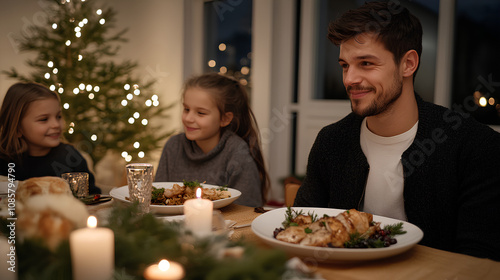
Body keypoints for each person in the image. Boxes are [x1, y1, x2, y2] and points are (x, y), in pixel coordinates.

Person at [294, 1, 500, 261]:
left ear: (408, 64)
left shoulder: (474, 146)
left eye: (366, 63)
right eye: (345, 65)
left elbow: (480, 262)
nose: (349, 79)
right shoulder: (331, 141)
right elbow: (301, 230)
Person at [155, 73, 269, 207]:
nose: (188, 118)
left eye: (201, 113)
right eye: (186, 109)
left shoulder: (238, 153)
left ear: (225, 119)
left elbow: (247, 211)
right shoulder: (173, 146)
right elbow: (157, 199)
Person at [0, 82, 101, 194]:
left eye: (58, 116)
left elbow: (92, 197)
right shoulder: (5, 162)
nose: (56, 124)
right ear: (18, 128)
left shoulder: (70, 156)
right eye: (44, 119)